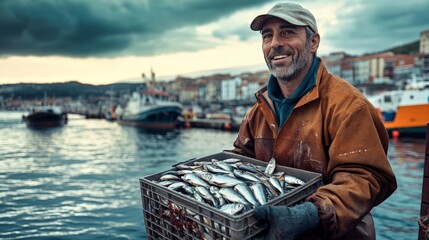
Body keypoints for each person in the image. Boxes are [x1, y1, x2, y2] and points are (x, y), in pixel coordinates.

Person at [231, 2, 397, 239]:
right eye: (267, 36)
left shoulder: (349, 106)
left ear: (313, 42)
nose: (275, 43)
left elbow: (366, 178)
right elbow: (240, 160)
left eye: (287, 32)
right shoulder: (259, 109)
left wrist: (312, 215)